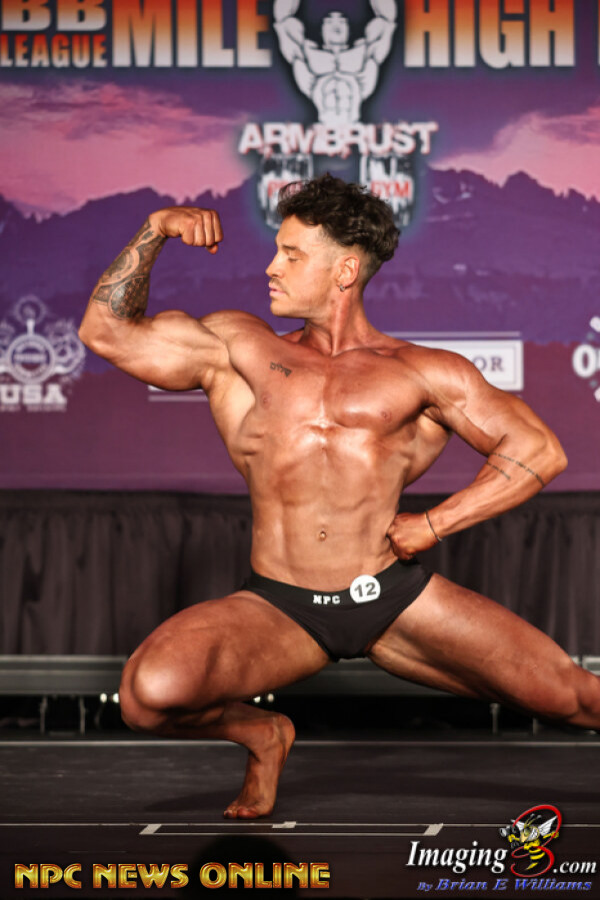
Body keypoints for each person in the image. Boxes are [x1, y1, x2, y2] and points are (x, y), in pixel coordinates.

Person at [79, 174, 600, 820]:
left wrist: (434, 524)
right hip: (281, 605)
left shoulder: (420, 372)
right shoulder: (239, 349)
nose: (271, 267)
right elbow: (105, 332)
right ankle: (264, 733)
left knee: (576, 699)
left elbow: (538, 451)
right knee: (146, 696)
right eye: (277, 250)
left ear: (344, 271)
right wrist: (155, 229)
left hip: (393, 595)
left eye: (292, 255)